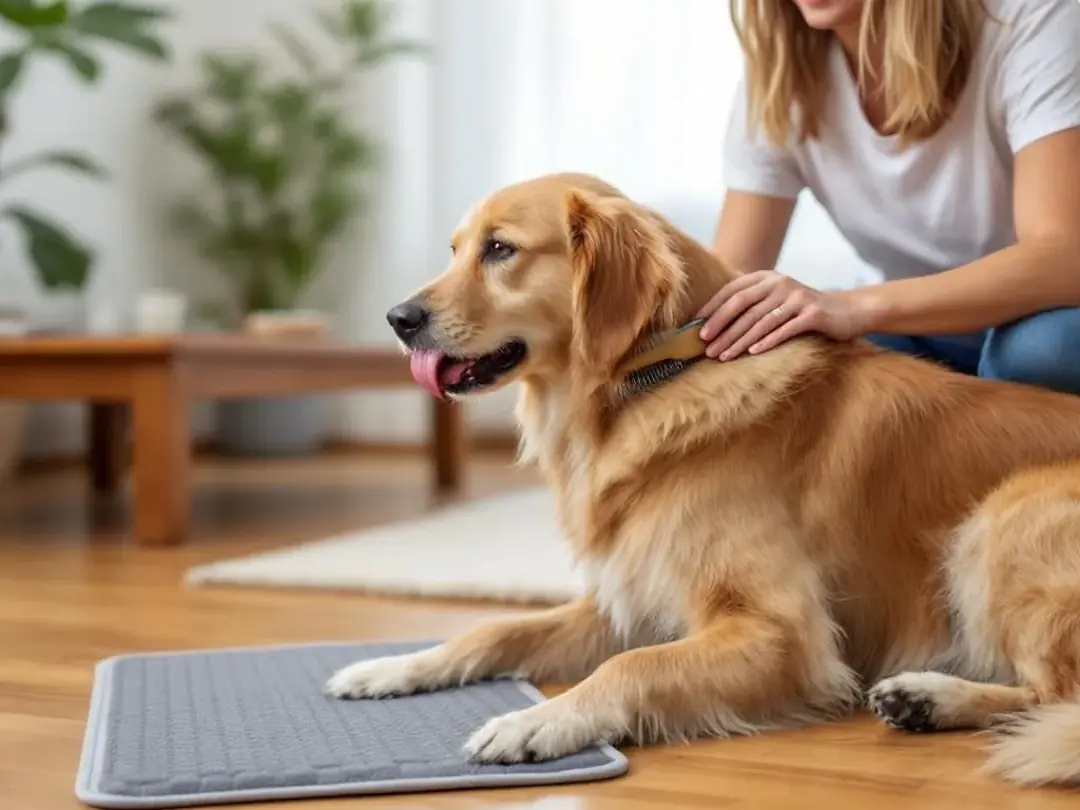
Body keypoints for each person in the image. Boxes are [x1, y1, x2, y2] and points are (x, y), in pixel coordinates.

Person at [699, 0, 1080, 395]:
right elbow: (725, 286)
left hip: (1048, 318)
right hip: (921, 330)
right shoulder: (783, 77)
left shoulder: (1030, 18)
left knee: (1039, 353)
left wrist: (853, 306)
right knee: (806, 371)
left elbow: (1066, 256)